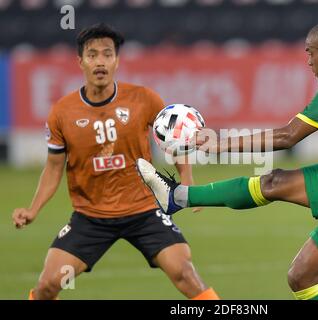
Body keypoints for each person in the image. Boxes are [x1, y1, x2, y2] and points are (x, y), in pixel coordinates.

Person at [136, 20, 318, 300]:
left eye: (311, 52)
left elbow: (287, 137)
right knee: (274, 181)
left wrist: (218, 144)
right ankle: (177, 197)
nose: (308, 61)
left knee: (300, 276)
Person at [12, 23, 219, 300]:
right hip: (90, 218)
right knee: (48, 285)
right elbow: (53, 168)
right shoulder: (62, 112)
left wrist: (187, 183)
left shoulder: (144, 99)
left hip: (145, 211)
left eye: (107, 54)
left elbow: (175, 138)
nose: (100, 61)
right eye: (93, 54)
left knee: (185, 273)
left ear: (117, 60)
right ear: (80, 61)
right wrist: (33, 209)